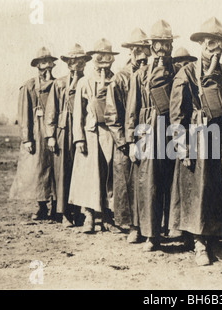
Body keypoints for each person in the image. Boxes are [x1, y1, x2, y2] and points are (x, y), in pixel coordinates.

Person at [169, 17, 222, 266]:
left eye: (218, 44)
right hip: (197, 140)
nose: (214, 48)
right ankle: (199, 244)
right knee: (199, 192)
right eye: (209, 43)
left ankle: (217, 242)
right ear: (201, 44)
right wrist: (181, 146)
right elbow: (176, 114)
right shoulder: (186, 74)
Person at [124, 20, 178, 251]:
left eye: (166, 44)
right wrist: (130, 141)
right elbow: (132, 109)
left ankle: (177, 229)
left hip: (173, 131)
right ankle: (151, 235)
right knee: (150, 185)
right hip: (147, 133)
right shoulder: (140, 75)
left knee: (175, 182)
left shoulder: (179, 72)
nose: (162, 48)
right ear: (151, 46)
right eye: (158, 44)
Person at [105, 28, 151, 243]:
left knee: (147, 184)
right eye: (138, 50)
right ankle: (132, 226)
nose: (143, 55)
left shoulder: (151, 75)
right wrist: (124, 143)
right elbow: (112, 115)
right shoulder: (120, 79)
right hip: (125, 142)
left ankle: (149, 226)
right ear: (131, 51)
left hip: (149, 138)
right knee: (127, 184)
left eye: (145, 50)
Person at [68, 38, 119, 233]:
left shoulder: (117, 80)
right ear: (94, 58)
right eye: (100, 57)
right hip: (90, 134)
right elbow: (78, 114)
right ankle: (88, 216)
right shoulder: (84, 82)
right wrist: (78, 137)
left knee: (108, 175)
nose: (104, 60)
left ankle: (107, 216)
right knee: (88, 176)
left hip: (109, 133)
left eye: (107, 57)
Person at [44, 43, 91, 227]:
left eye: (80, 62)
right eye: (73, 62)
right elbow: (51, 111)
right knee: (62, 172)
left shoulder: (87, 82)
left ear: (84, 63)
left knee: (80, 172)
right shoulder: (59, 83)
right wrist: (51, 135)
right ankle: (63, 213)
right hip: (63, 131)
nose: (76, 65)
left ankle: (79, 212)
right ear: (68, 63)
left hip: (82, 131)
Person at [9, 47, 56, 220]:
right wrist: (27, 138)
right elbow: (23, 114)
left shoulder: (58, 84)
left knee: (55, 169)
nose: (47, 67)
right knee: (38, 169)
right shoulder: (29, 86)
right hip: (36, 132)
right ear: (37, 65)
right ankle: (41, 206)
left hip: (54, 131)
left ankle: (57, 207)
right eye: (43, 63)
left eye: (49, 62)